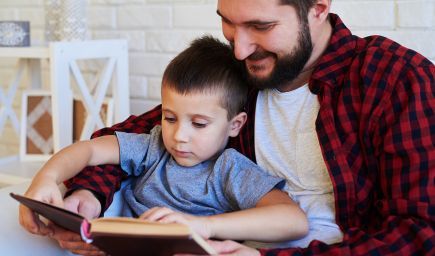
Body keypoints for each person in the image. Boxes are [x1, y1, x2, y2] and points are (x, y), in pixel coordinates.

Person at [21, 0, 435, 255]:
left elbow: (420, 235)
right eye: (228, 23)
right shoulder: (238, 75)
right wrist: (87, 197)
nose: (239, 48)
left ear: (319, 7)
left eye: (260, 26)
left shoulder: (396, 79)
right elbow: (140, 138)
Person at [19, 36, 309, 254]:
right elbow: (89, 150)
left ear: (235, 125)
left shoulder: (229, 169)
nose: (179, 135)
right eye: (170, 117)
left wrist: (203, 226)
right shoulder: (154, 146)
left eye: (199, 124)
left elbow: (293, 221)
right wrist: (47, 177)